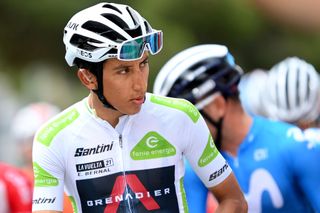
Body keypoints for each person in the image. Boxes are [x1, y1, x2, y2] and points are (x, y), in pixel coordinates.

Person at [31, 3, 247, 213]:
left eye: (143, 64)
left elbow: (234, 200)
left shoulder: (181, 116)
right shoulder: (53, 137)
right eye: (124, 70)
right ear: (88, 77)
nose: (140, 83)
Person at [153, 44, 320, 212]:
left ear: (217, 106)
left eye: (187, 120)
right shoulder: (195, 167)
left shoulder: (296, 146)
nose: (180, 134)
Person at [11, 102, 74, 213]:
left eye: (54, 140)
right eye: (33, 141)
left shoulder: (78, 178)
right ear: (22, 146)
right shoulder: (12, 184)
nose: (46, 148)